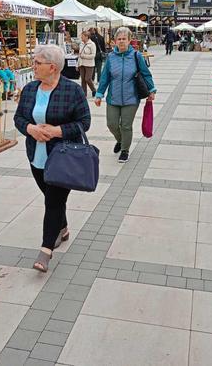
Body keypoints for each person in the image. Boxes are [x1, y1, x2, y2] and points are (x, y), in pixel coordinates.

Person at [14, 44, 91, 272]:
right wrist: (30, 129)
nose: (33, 66)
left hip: (62, 157)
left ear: (53, 67)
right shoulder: (29, 89)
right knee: (52, 197)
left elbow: (84, 123)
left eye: (37, 63)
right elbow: (18, 117)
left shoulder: (72, 91)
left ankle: (46, 251)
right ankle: (63, 228)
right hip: (36, 157)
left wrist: (57, 131)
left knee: (53, 202)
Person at [95, 27, 156, 163]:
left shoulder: (136, 56)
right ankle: (120, 140)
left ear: (129, 40)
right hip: (113, 97)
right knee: (112, 124)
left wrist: (152, 90)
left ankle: (125, 150)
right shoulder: (111, 57)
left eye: (124, 39)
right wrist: (99, 94)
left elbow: (145, 74)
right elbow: (105, 77)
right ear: (115, 41)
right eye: (119, 39)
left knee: (126, 126)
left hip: (131, 98)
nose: (121, 41)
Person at [78, 30, 97, 96]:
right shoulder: (81, 44)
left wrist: (84, 56)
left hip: (89, 64)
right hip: (82, 64)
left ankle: (94, 90)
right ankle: (84, 93)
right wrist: (77, 64)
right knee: (83, 79)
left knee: (88, 78)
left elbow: (93, 55)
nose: (81, 38)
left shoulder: (92, 44)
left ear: (87, 37)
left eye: (82, 36)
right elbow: (79, 55)